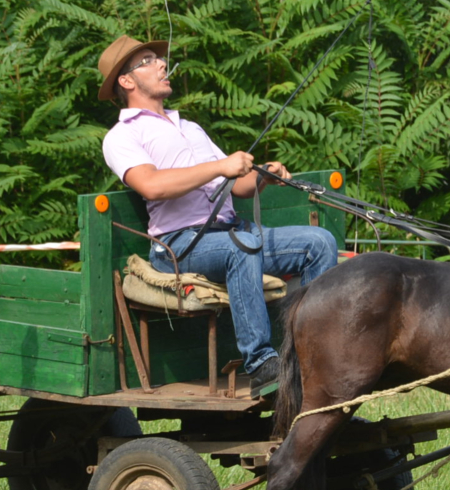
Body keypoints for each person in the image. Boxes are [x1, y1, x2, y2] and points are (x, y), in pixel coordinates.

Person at [98, 35, 338, 396]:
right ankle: (260, 363)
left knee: (319, 243)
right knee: (240, 248)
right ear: (126, 81)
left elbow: (238, 187)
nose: (163, 64)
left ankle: (315, 355)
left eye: (158, 59)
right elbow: (151, 186)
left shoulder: (190, 128)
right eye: (148, 60)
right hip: (178, 246)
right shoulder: (121, 136)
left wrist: (263, 175)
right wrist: (220, 166)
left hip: (232, 232)